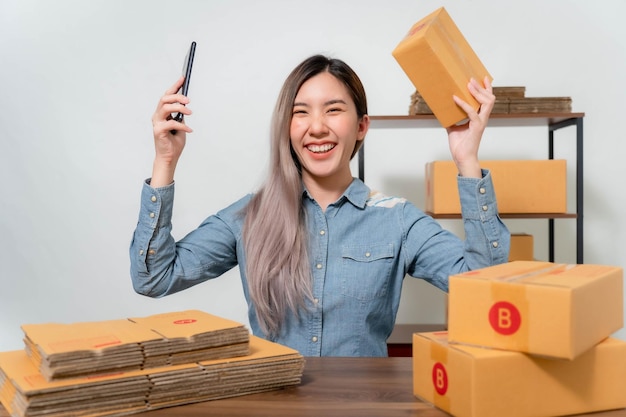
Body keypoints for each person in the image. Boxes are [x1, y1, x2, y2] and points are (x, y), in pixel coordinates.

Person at [130, 54, 510, 357]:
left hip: (360, 405)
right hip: (274, 404)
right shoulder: (250, 216)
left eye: (333, 110)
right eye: (301, 112)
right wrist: (165, 161)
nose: (317, 127)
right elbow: (153, 277)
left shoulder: (397, 220)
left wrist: (467, 159)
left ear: (361, 126)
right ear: (287, 127)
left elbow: (484, 284)